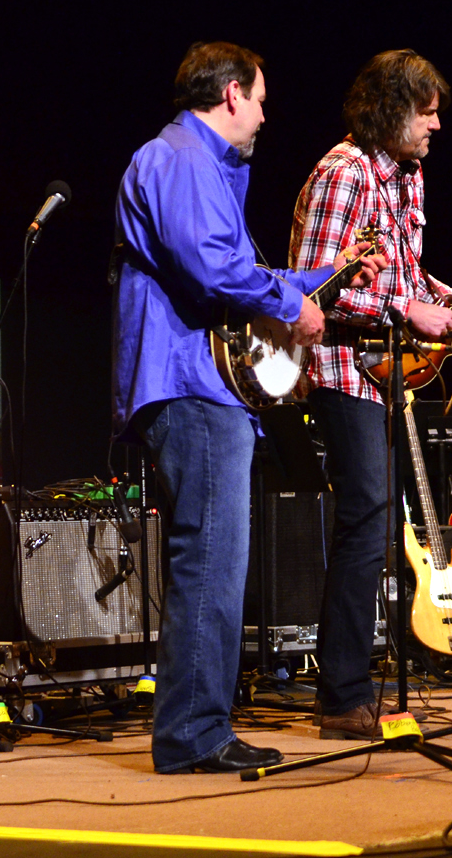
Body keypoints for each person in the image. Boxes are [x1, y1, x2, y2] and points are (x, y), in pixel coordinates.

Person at [112, 42, 384, 773]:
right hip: (188, 384)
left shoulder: (204, 168)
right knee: (210, 558)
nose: (265, 113)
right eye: (260, 98)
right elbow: (208, 268)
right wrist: (291, 301)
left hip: (205, 386)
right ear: (231, 93)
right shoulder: (177, 158)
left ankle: (201, 728)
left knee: (217, 558)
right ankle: (194, 736)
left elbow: (243, 270)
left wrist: (334, 272)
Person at [290, 49, 452, 740]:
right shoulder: (344, 171)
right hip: (338, 366)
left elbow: (411, 279)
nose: (437, 125)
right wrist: (402, 310)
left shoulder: (406, 178)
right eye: (427, 112)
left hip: (380, 371)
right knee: (366, 519)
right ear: (392, 111)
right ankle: (340, 696)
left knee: (380, 525)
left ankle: (361, 684)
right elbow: (313, 284)